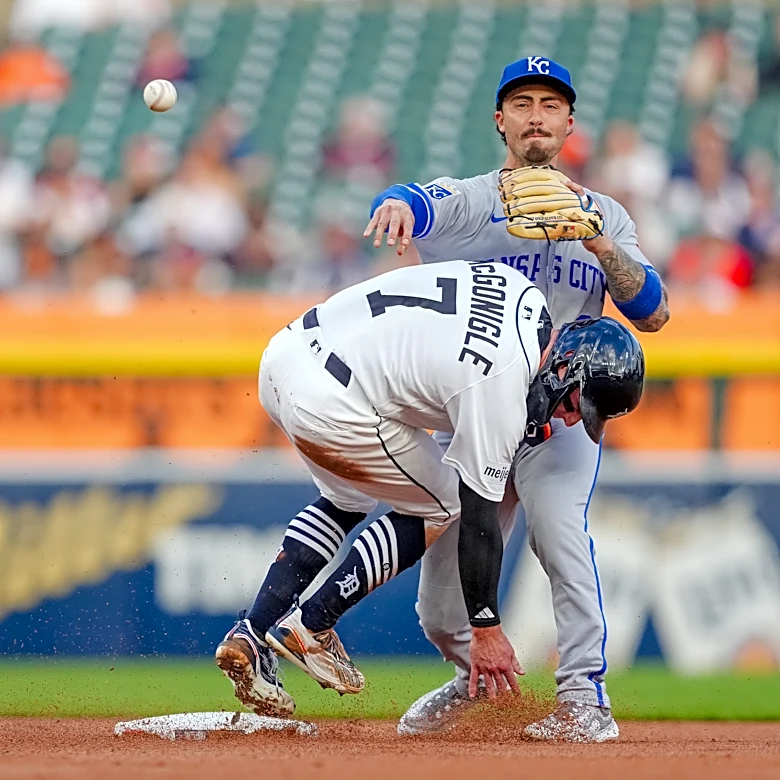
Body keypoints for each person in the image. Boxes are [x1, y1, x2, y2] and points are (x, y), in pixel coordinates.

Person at [362, 56, 670, 742]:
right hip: (478, 413)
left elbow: (652, 312)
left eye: (550, 104)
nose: (537, 115)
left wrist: (591, 234)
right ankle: (473, 674)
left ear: (568, 123)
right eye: (523, 103)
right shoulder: (477, 199)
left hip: (560, 416)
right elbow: (418, 199)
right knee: (441, 605)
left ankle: (585, 698)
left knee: (562, 538)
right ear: (500, 120)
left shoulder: (605, 213)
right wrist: (396, 202)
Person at [214, 259, 644, 722]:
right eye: (580, 403)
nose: (573, 419)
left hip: (288, 355)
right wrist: (486, 628)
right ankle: (313, 624)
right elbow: (480, 518)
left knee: (346, 500)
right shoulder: (501, 380)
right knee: (447, 502)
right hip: (336, 398)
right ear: (566, 366)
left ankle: (253, 634)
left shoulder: (521, 293)